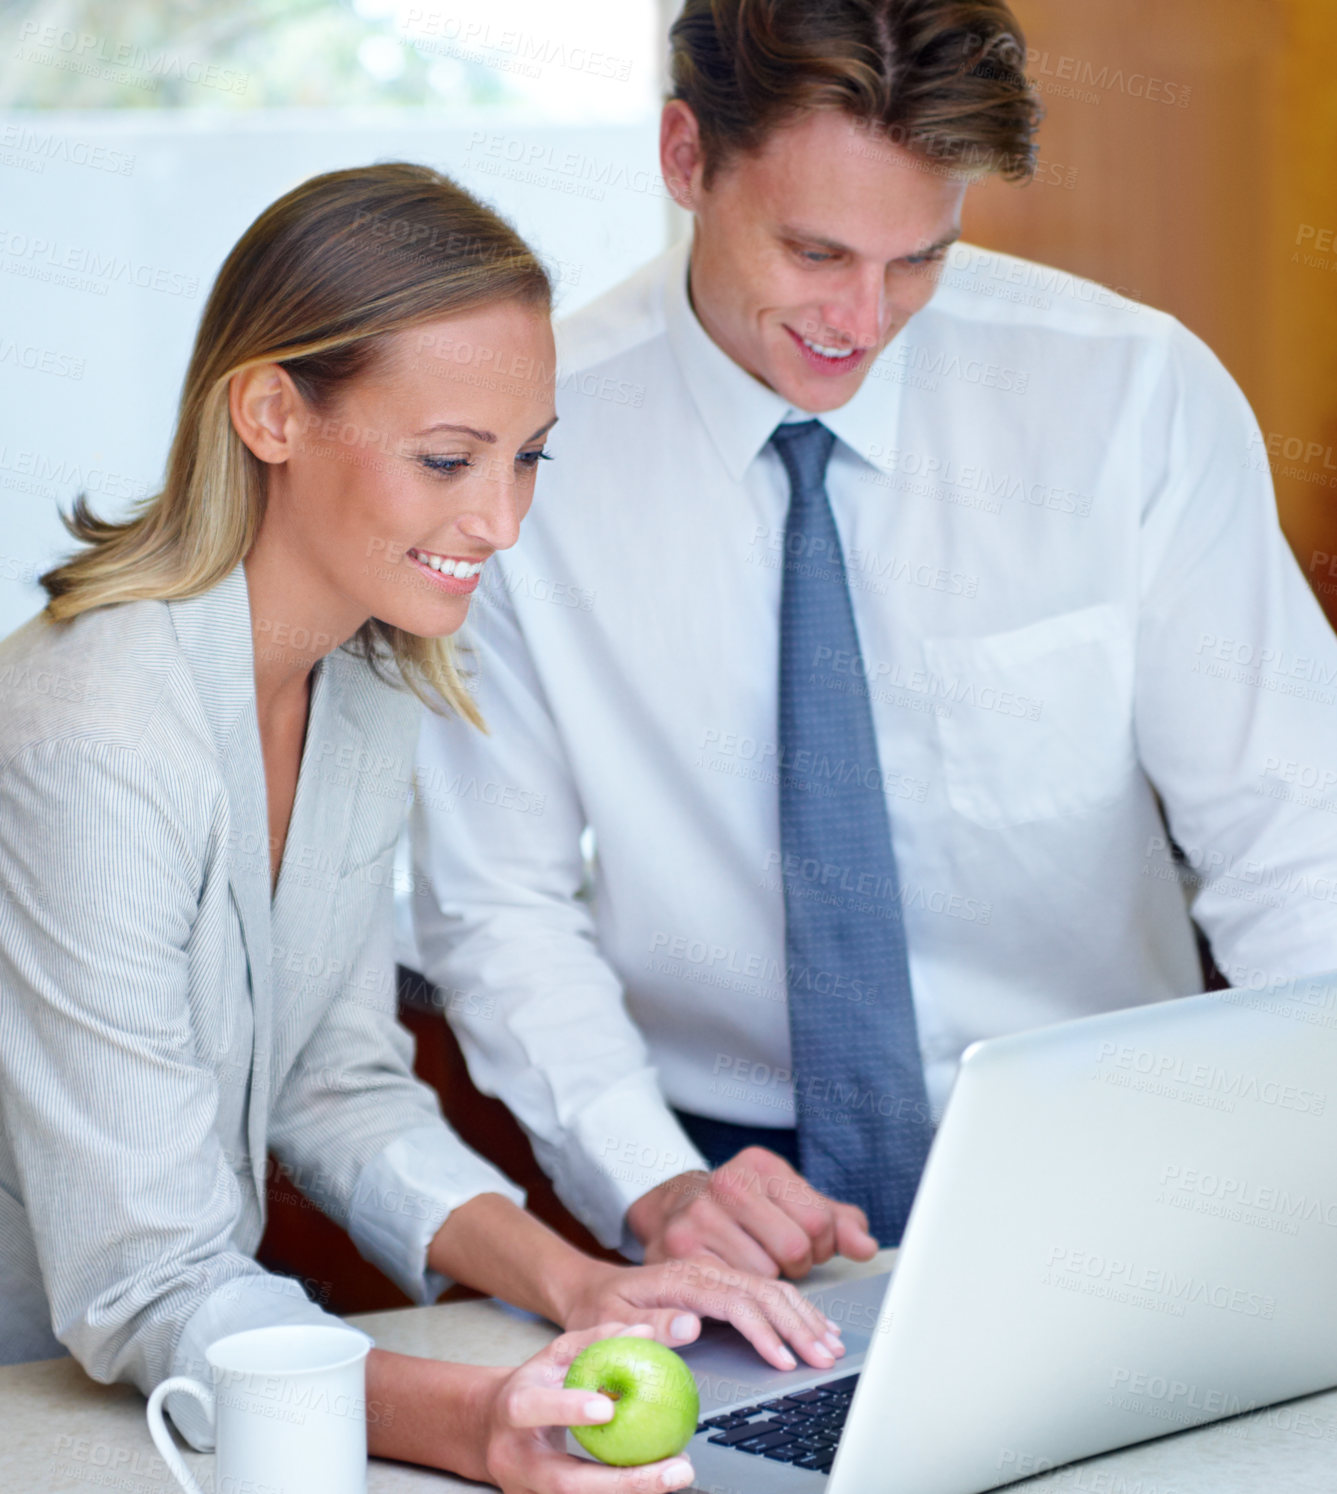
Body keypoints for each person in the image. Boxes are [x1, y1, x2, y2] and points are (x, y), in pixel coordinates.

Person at [410, 0, 1337, 1280]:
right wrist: (656, 1185)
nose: (862, 315)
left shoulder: (1129, 396)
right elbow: (493, 896)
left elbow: (1291, 835)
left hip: (1113, 1136)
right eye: (814, 251)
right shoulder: (527, 443)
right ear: (684, 157)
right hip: (727, 1173)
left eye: (920, 259)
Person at [0, 162, 843, 1494]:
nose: (500, 520)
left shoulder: (364, 673)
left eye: (527, 456)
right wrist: (476, 1422)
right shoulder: (96, 738)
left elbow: (334, 1082)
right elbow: (147, 1272)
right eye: (448, 459)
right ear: (271, 412)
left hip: (153, 1392)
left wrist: (583, 1282)